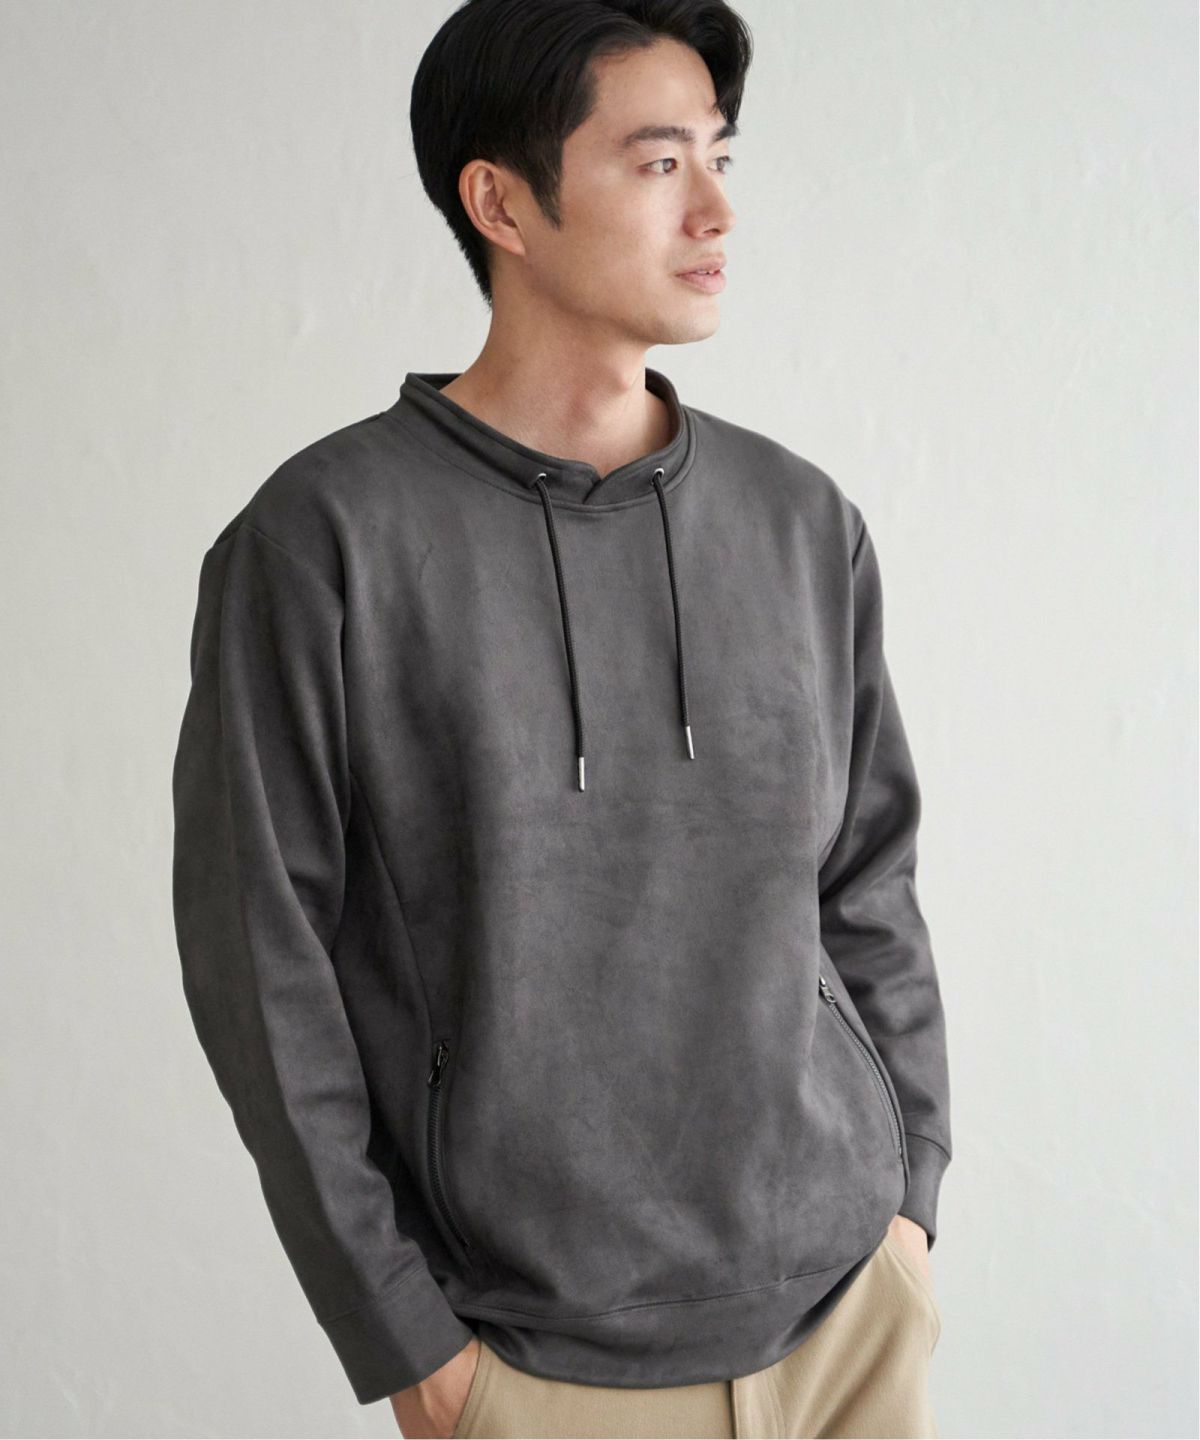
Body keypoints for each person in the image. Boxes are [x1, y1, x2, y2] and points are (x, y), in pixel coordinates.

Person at [171, 1, 953, 1435]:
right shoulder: (324, 541)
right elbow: (258, 959)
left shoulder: (800, 522)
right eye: (659, 163)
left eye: (720, 156)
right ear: (501, 202)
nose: (716, 209)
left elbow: (868, 883)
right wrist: (405, 1337)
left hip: (849, 1312)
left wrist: (912, 1206)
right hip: (533, 1359)